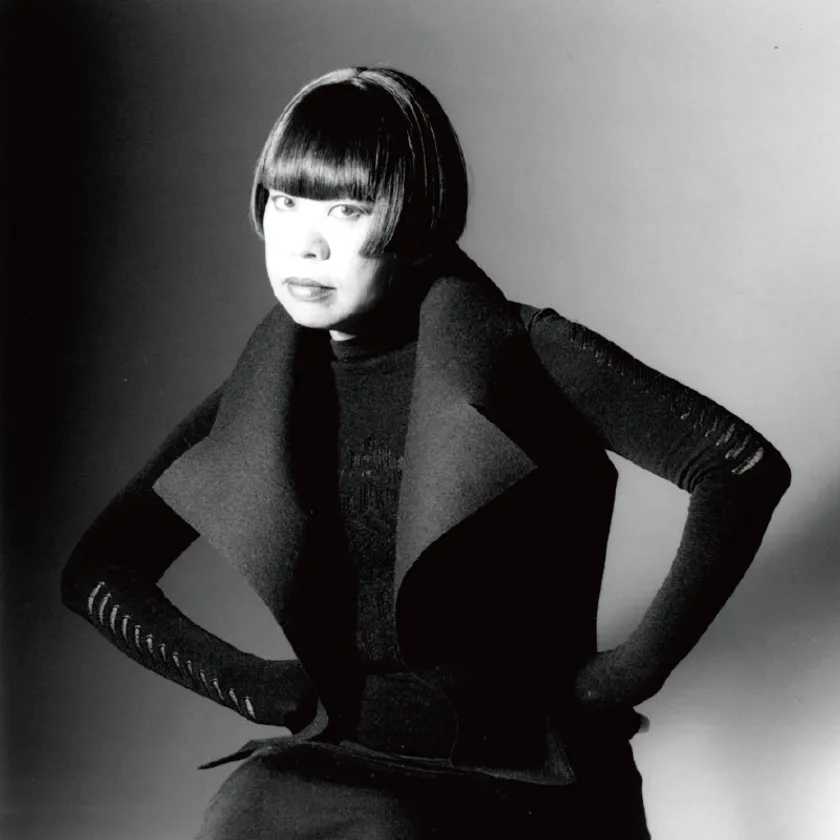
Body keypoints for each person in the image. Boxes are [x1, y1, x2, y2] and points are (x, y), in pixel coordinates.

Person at [61, 67, 791, 839]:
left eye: (348, 209)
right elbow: (99, 570)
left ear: (418, 222)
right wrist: (253, 686)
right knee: (245, 813)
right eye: (284, 202)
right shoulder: (265, 391)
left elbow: (738, 469)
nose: (304, 244)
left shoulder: (525, 350)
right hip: (351, 752)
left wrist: (629, 674)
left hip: (524, 772)